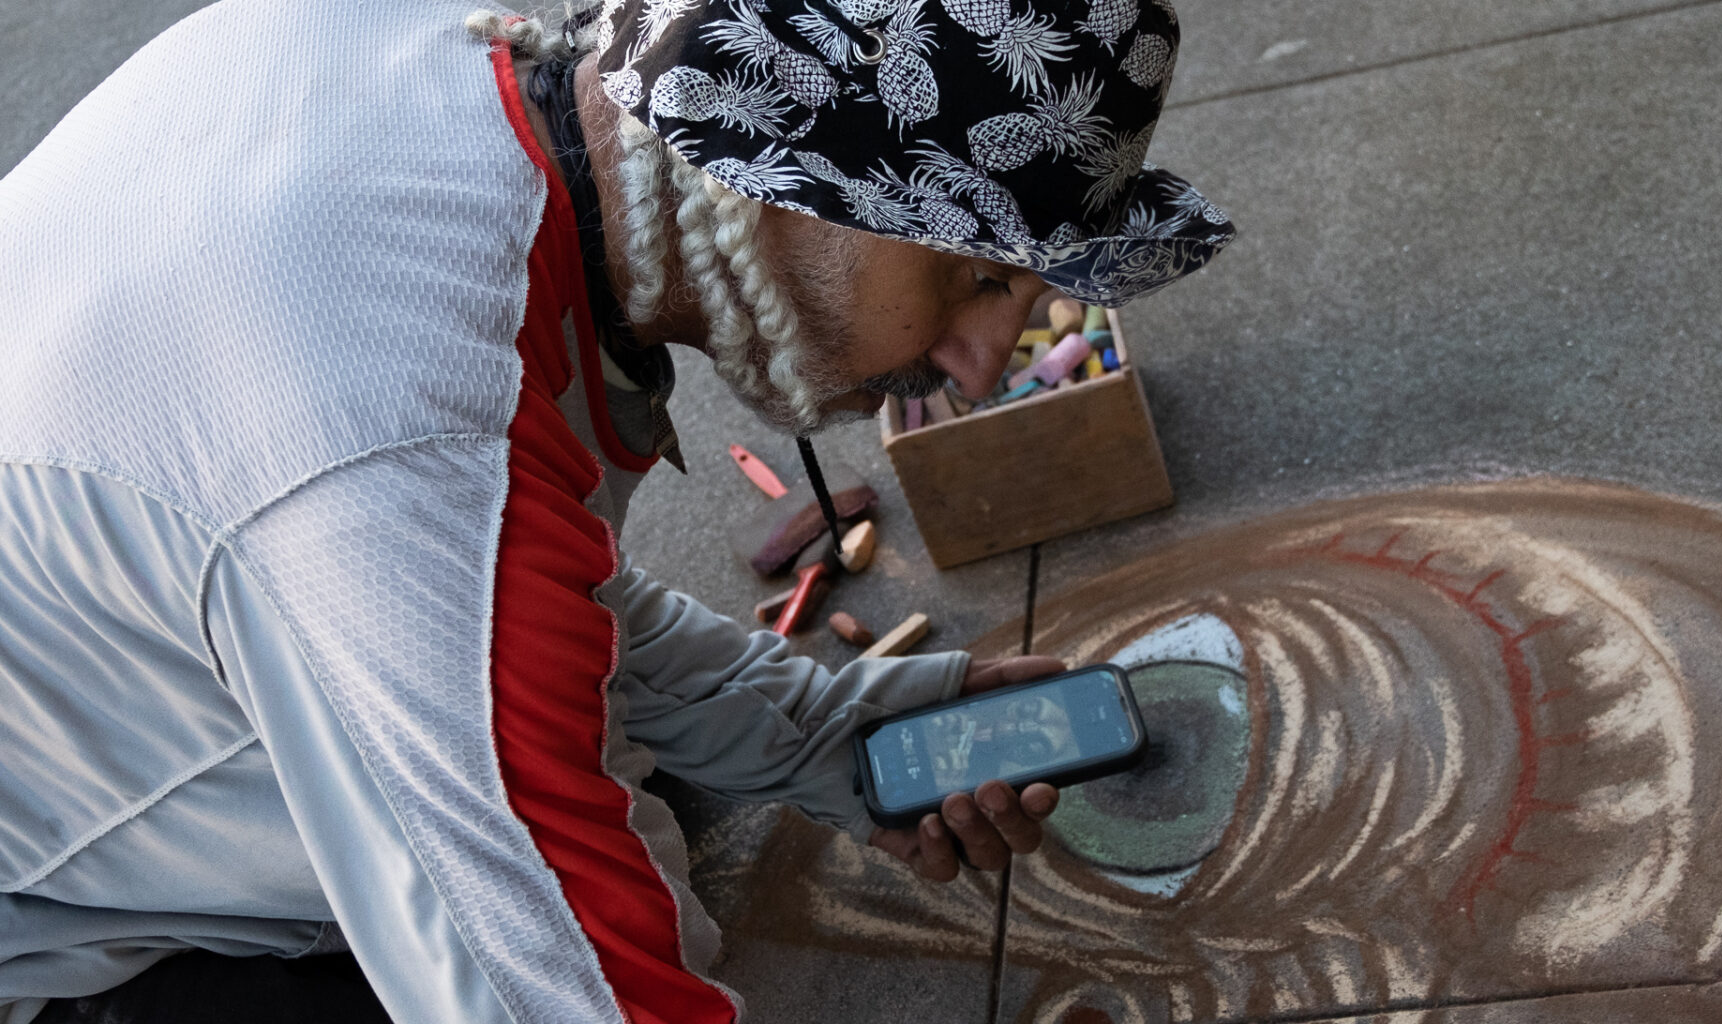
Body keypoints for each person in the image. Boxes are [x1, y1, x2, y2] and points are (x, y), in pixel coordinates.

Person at [0, 0, 1233, 1019]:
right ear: (787, 172)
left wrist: (823, 728)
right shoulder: (389, 438)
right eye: (971, 274)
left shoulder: (470, 99)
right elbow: (561, 988)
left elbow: (494, 596)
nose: (983, 360)